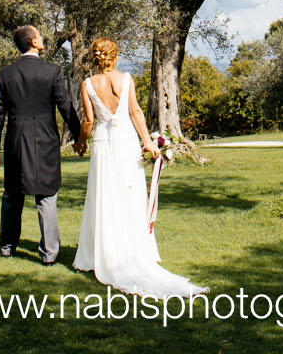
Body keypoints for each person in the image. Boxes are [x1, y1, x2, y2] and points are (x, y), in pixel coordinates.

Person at [73, 38, 207, 297]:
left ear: (95, 57)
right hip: (125, 141)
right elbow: (135, 112)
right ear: (115, 56)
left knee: (103, 195)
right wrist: (147, 142)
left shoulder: (88, 84)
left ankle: (97, 254)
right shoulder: (126, 79)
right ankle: (134, 249)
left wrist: (80, 144)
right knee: (130, 195)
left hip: (102, 142)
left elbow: (88, 120)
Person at [0, 25, 84, 265]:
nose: (42, 39)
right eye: (39, 36)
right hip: (45, 141)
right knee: (46, 196)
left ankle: (7, 247)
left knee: (12, 195)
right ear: (33, 42)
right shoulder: (52, 71)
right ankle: (49, 253)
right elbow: (65, 107)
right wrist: (80, 137)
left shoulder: (6, 74)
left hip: (15, 141)